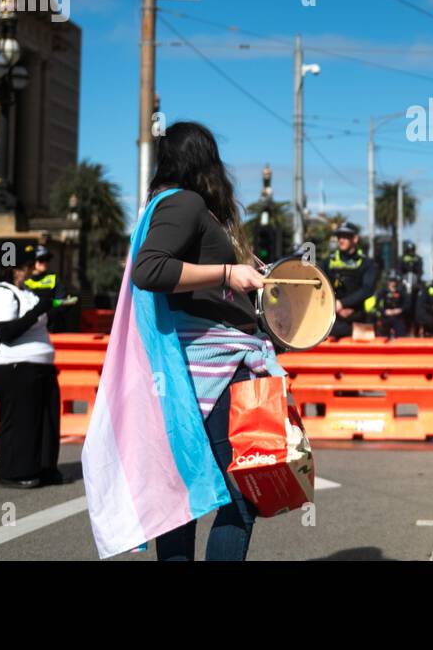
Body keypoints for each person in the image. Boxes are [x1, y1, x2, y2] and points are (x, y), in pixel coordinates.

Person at [121, 121, 280, 560]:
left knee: (181, 499)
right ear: (203, 158)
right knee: (239, 495)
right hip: (213, 369)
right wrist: (229, 272)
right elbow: (150, 270)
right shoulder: (185, 203)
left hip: (189, 368)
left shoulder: (166, 204)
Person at [0, 239, 71, 488]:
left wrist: (53, 307)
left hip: (37, 363)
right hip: (10, 363)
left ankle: (43, 467)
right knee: (20, 419)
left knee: (46, 417)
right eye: (25, 266)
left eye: (30, 265)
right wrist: (39, 309)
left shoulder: (27, 292)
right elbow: (7, 332)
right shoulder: (0, 294)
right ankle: (14, 472)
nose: (30, 270)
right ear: (12, 268)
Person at [322, 222, 378, 340]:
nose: (341, 240)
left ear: (355, 239)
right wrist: (334, 305)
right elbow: (321, 287)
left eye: (345, 237)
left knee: (362, 354)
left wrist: (343, 304)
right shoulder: (328, 262)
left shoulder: (367, 263)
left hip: (360, 318)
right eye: (339, 237)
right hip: (332, 318)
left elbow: (367, 289)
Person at [24, 245, 68, 330]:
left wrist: (46, 315)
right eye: (41, 260)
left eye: (47, 259)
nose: (45, 263)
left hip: (52, 328)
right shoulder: (24, 281)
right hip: (28, 328)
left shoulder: (54, 279)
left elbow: (62, 302)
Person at [375, 271, 409, 339]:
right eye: (390, 281)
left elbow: (407, 303)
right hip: (386, 316)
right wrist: (384, 311)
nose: (392, 283)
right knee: (383, 336)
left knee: (401, 335)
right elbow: (377, 304)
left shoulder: (401, 291)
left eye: (394, 281)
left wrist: (400, 310)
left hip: (398, 316)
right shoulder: (383, 291)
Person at [400, 240, 424, 334]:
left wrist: (417, 283)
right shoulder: (402, 258)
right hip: (404, 284)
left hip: (416, 286)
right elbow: (400, 270)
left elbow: (420, 272)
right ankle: (406, 329)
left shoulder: (418, 258)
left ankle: (416, 330)